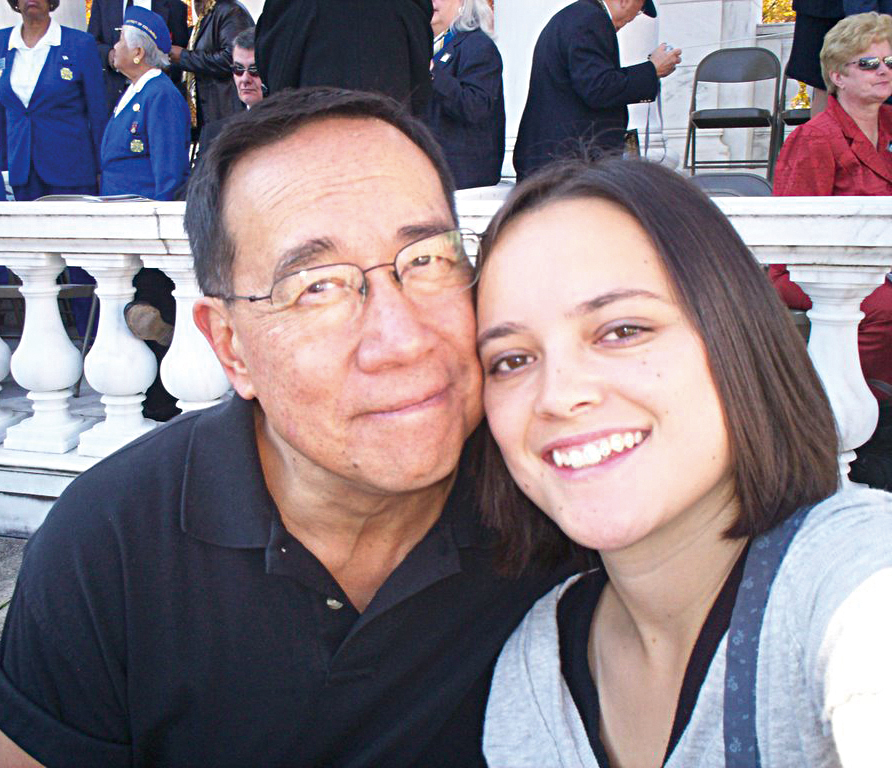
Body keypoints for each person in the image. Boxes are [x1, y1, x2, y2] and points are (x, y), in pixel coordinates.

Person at [0, 88, 574, 768]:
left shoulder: (559, 499)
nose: (401, 340)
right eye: (316, 288)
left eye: (426, 260)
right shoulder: (108, 546)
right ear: (230, 347)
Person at [475, 157, 892, 766]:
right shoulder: (538, 668)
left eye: (622, 330)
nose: (559, 396)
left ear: (734, 336)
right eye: (511, 360)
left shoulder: (849, 579)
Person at [772, 11, 892, 489]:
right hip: (812, 270)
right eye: (868, 63)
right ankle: (833, 410)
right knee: (883, 308)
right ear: (837, 76)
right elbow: (793, 235)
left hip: (879, 270)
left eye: (889, 61)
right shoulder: (814, 139)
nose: (883, 70)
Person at [99, 6, 191, 422]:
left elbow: (169, 172)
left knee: (151, 314)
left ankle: (162, 400)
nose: (113, 47)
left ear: (137, 53)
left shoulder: (160, 95)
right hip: (122, 230)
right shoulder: (135, 94)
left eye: (119, 40)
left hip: (146, 235)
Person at [512, 0, 681, 180]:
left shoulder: (578, 16)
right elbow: (599, 89)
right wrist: (652, 69)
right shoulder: (591, 20)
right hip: (568, 163)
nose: (630, 21)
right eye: (637, 12)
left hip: (558, 161)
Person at [0, 0, 106, 201]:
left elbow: (98, 113)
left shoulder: (80, 44)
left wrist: (103, 170)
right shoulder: (2, 42)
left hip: (72, 171)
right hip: (21, 171)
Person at [254, 0, 434, 116]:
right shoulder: (409, 6)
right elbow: (420, 82)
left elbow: (277, 74)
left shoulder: (294, 6)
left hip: (312, 133)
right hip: (390, 134)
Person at [424, 0, 505, 189]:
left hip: (465, 180)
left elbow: (474, 106)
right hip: (432, 173)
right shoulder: (431, 46)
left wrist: (432, 72)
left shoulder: (477, 46)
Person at [86, 0, 189, 116]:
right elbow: (91, 43)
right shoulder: (104, 2)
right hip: (113, 93)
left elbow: (179, 52)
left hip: (155, 97)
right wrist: (110, 55)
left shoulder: (174, 5)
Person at [169, 0, 252, 138]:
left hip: (225, 112)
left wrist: (183, 57)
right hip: (209, 113)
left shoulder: (230, 11)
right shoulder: (207, 13)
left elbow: (232, 59)